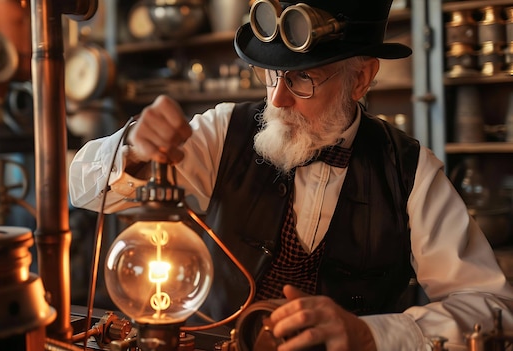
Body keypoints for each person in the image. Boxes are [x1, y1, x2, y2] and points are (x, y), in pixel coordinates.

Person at [68, 0, 513, 350]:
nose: (277, 100)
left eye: (304, 79)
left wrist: (371, 336)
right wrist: (137, 150)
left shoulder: (410, 169)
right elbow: (83, 189)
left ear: (362, 78)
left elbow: (491, 307)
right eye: (271, 74)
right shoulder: (225, 131)